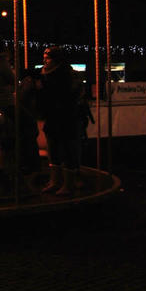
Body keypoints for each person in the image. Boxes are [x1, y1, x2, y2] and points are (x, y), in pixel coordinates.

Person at [37, 46, 83, 196]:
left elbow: (69, 96)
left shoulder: (67, 75)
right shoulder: (45, 74)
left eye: (48, 57)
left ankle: (68, 183)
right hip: (51, 115)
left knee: (67, 148)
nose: (44, 59)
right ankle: (55, 180)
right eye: (44, 56)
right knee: (53, 148)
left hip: (66, 116)